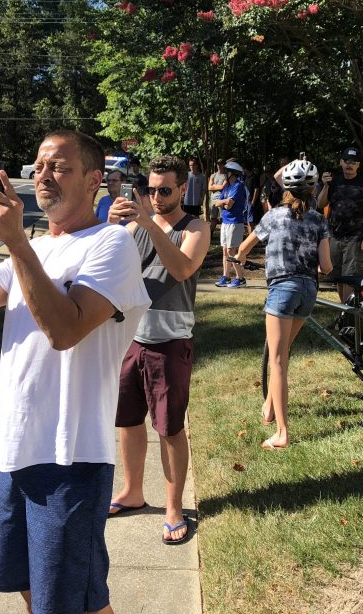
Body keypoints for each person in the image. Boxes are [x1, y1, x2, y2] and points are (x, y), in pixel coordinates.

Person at [0, 130, 150, 614]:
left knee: (72, 601)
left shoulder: (111, 245)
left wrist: (16, 243)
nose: (43, 175)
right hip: (14, 448)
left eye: (59, 167)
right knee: (30, 587)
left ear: (94, 180)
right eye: (38, 166)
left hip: (69, 455)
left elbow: (65, 330)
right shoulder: (36, 249)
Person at [104, 156, 211, 545]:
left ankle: (173, 507)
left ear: (183, 188)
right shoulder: (134, 227)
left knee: (169, 427)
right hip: (130, 338)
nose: (156, 197)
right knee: (128, 421)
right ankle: (132, 492)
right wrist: (111, 228)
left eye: (165, 190)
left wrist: (150, 224)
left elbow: (181, 269)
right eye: (151, 190)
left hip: (170, 342)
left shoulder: (194, 228)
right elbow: (106, 267)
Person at [234, 156, 332, 449]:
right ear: (313, 190)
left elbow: (245, 246)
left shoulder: (273, 216)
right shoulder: (319, 219)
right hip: (308, 292)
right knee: (283, 350)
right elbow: (326, 266)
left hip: (282, 290)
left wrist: (239, 257)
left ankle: (282, 433)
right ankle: (268, 408)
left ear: (286, 189)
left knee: (277, 362)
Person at [316, 147, 363, 303]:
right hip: (334, 237)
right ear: (341, 162)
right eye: (346, 161)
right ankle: (345, 309)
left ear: (358, 165)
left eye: (354, 162)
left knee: (349, 277)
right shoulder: (334, 182)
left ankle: (349, 313)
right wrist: (325, 186)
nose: (349, 165)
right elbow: (320, 204)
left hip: (356, 238)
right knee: (338, 277)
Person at [212, 159, 248, 288]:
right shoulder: (227, 186)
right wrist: (224, 202)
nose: (224, 174)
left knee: (231, 250)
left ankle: (240, 278)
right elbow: (217, 202)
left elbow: (229, 205)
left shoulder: (238, 186)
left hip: (235, 222)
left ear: (232, 173)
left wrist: (224, 203)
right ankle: (226, 277)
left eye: (226, 171)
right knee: (225, 251)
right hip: (225, 221)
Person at [207, 159, 228, 231]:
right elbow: (209, 187)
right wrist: (219, 186)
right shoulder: (213, 175)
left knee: (223, 218)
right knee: (213, 218)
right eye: (218, 164)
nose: (219, 166)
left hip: (222, 199)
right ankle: (211, 235)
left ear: (224, 165)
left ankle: (223, 234)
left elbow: (223, 187)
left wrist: (214, 186)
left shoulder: (226, 176)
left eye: (221, 164)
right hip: (213, 200)